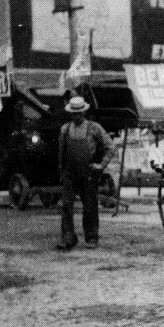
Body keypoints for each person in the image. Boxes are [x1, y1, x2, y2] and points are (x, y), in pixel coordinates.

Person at [56, 96, 115, 251]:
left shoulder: (94, 128)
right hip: (69, 173)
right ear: (70, 114)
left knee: (90, 206)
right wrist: (62, 171)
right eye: (74, 113)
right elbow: (61, 153)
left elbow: (111, 147)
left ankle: (91, 237)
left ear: (84, 112)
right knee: (66, 207)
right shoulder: (65, 129)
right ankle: (68, 238)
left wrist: (101, 165)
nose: (76, 116)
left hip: (88, 174)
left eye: (79, 113)